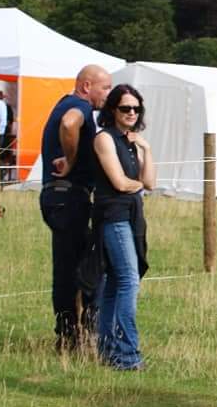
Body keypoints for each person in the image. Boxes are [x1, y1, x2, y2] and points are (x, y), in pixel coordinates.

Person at [39, 65, 113, 352]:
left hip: (61, 197)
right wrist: (70, 161)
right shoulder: (77, 105)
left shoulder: (66, 102)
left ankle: (70, 333)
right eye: (104, 87)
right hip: (68, 196)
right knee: (78, 267)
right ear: (86, 86)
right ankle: (71, 336)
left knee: (69, 264)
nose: (107, 93)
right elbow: (69, 124)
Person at [92, 85, 156, 370]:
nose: (131, 113)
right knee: (129, 281)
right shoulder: (104, 138)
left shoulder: (132, 142)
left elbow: (150, 182)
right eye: (125, 108)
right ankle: (128, 355)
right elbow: (120, 183)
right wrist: (138, 185)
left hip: (131, 215)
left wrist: (146, 148)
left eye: (135, 108)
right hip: (113, 215)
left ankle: (108, 351)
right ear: (112, 110)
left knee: (114, 284)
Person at [0, 90, 16, 181]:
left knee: (4, 152)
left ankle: (3, 169)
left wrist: (8, 129)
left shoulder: (7, 107)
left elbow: (10, 121)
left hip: (5, 133)